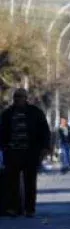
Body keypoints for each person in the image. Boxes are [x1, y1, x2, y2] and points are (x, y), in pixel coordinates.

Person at [0, 88, 50, 217]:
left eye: (20, 97)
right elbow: (2, 132)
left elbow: (44, 131)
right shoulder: (7, 114)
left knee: (30, 181)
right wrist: (4, 147)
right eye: (16, 97)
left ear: (25, 98)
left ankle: (29, 209)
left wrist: (45, 147)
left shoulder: (35, 113)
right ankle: (13, 208)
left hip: (30, 152)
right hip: (13, 153)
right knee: (12, 182)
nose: (18, 99)